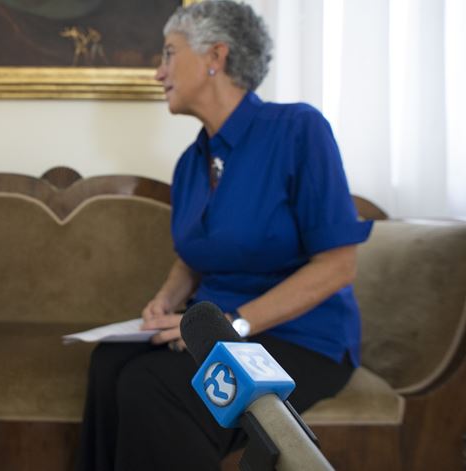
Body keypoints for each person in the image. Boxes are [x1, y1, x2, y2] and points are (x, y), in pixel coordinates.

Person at [75, 2, 372, 470]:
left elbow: (338, 266)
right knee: (109, 362)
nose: (158, 72)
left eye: (169, 54)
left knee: (152, 385)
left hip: (301, 338)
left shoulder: (297, 130)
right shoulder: (192, 162)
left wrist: (234, 326)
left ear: (215, 55)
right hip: (222, 330)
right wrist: (164, 301)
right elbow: (196, 256)